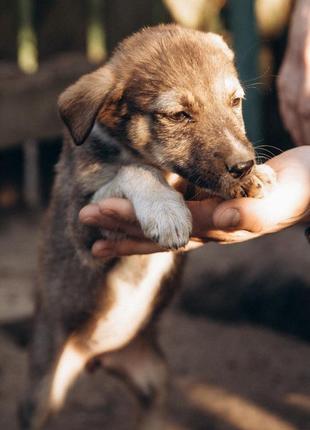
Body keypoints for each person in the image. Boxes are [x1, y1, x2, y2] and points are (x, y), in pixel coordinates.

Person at [79, 0, 310, 258]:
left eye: (234, 101)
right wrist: (139, 183)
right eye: (179, 115)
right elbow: (87, 216)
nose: (240, 156)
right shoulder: (99, 124)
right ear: (111, 107)